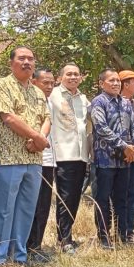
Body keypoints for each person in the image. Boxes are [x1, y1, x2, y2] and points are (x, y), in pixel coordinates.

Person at [0, 47, 51, 266]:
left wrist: (40, 139)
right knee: (4, 210)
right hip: (9, 158)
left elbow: (47, 118)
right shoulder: (2, 85)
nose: (27, 62)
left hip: (33, 159)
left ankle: (18, 257)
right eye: (22, 58)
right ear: (11, 63)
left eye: (30, 59)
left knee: (26, 210)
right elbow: (8, 117)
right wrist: (36, 137)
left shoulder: (38, 92)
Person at [90, 68, 134, 248]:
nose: (115, 83)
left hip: (125, 160)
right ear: (101, 83)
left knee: (123, 199)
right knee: (103, 199)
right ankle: (104, 237)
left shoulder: (126, 103)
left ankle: (122, 235)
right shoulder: (98, 102)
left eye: (117, 81)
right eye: (111, 80)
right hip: (105, 160)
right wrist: (124, 146)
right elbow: (101, 128)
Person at [48, 62, 91, 254]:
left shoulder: (83, 98)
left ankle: (66, 234)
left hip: (81, 155)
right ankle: (64, 239)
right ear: (60, 77)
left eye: (76, 74)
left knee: (74, 197)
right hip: (63, 154)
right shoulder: (53, 95)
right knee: (65, 197)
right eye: (69, 74)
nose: (73, 77)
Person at [27, 67, 57, 261]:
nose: (49, 86)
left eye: (52, 83)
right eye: (45, 82)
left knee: (43, 206)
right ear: (34, 82)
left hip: (49, 161)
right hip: (33, 159)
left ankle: (36, 245)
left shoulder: (51, 103)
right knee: (31, 205)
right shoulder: (29, 102)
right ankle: (27, 245)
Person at [119, 69, 134, 242]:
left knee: (132, 195)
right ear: (126, 84)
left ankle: (129, 230)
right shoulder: (109, 103)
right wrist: (124, 149)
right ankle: (116, 229)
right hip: (115, 156)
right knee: (116, 195)